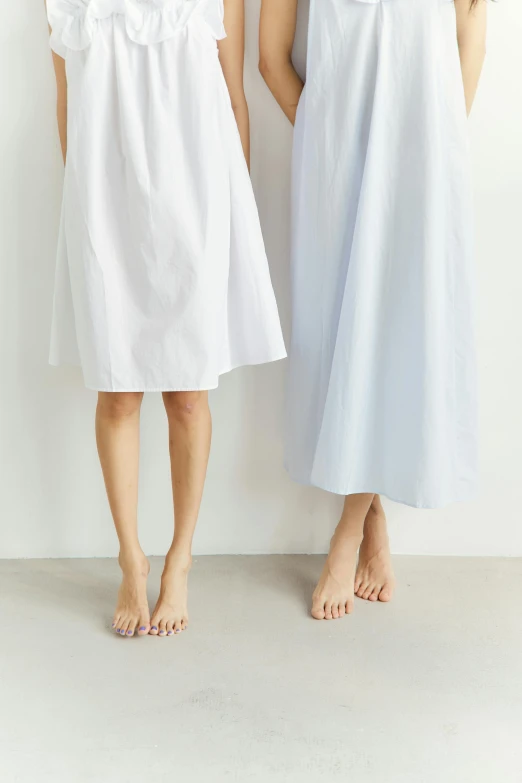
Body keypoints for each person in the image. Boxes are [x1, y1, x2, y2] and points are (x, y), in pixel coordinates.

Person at [46, 0, 286, 638]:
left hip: (197, 203)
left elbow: (232, 99)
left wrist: (234, 224)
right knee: (118, 392)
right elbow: (66, 100)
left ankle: (180, 558)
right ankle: (131, 558)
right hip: (106, 204)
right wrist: (83, 217)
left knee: (187, 393)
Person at [259, 0, 487, 619]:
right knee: (341, 334)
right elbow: (270, 59)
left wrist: (439, 142)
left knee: (396, 328)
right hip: (335, 160)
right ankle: (373, 519)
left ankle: (347, 532)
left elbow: (469, 26)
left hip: (423, 159)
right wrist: (325, 133)